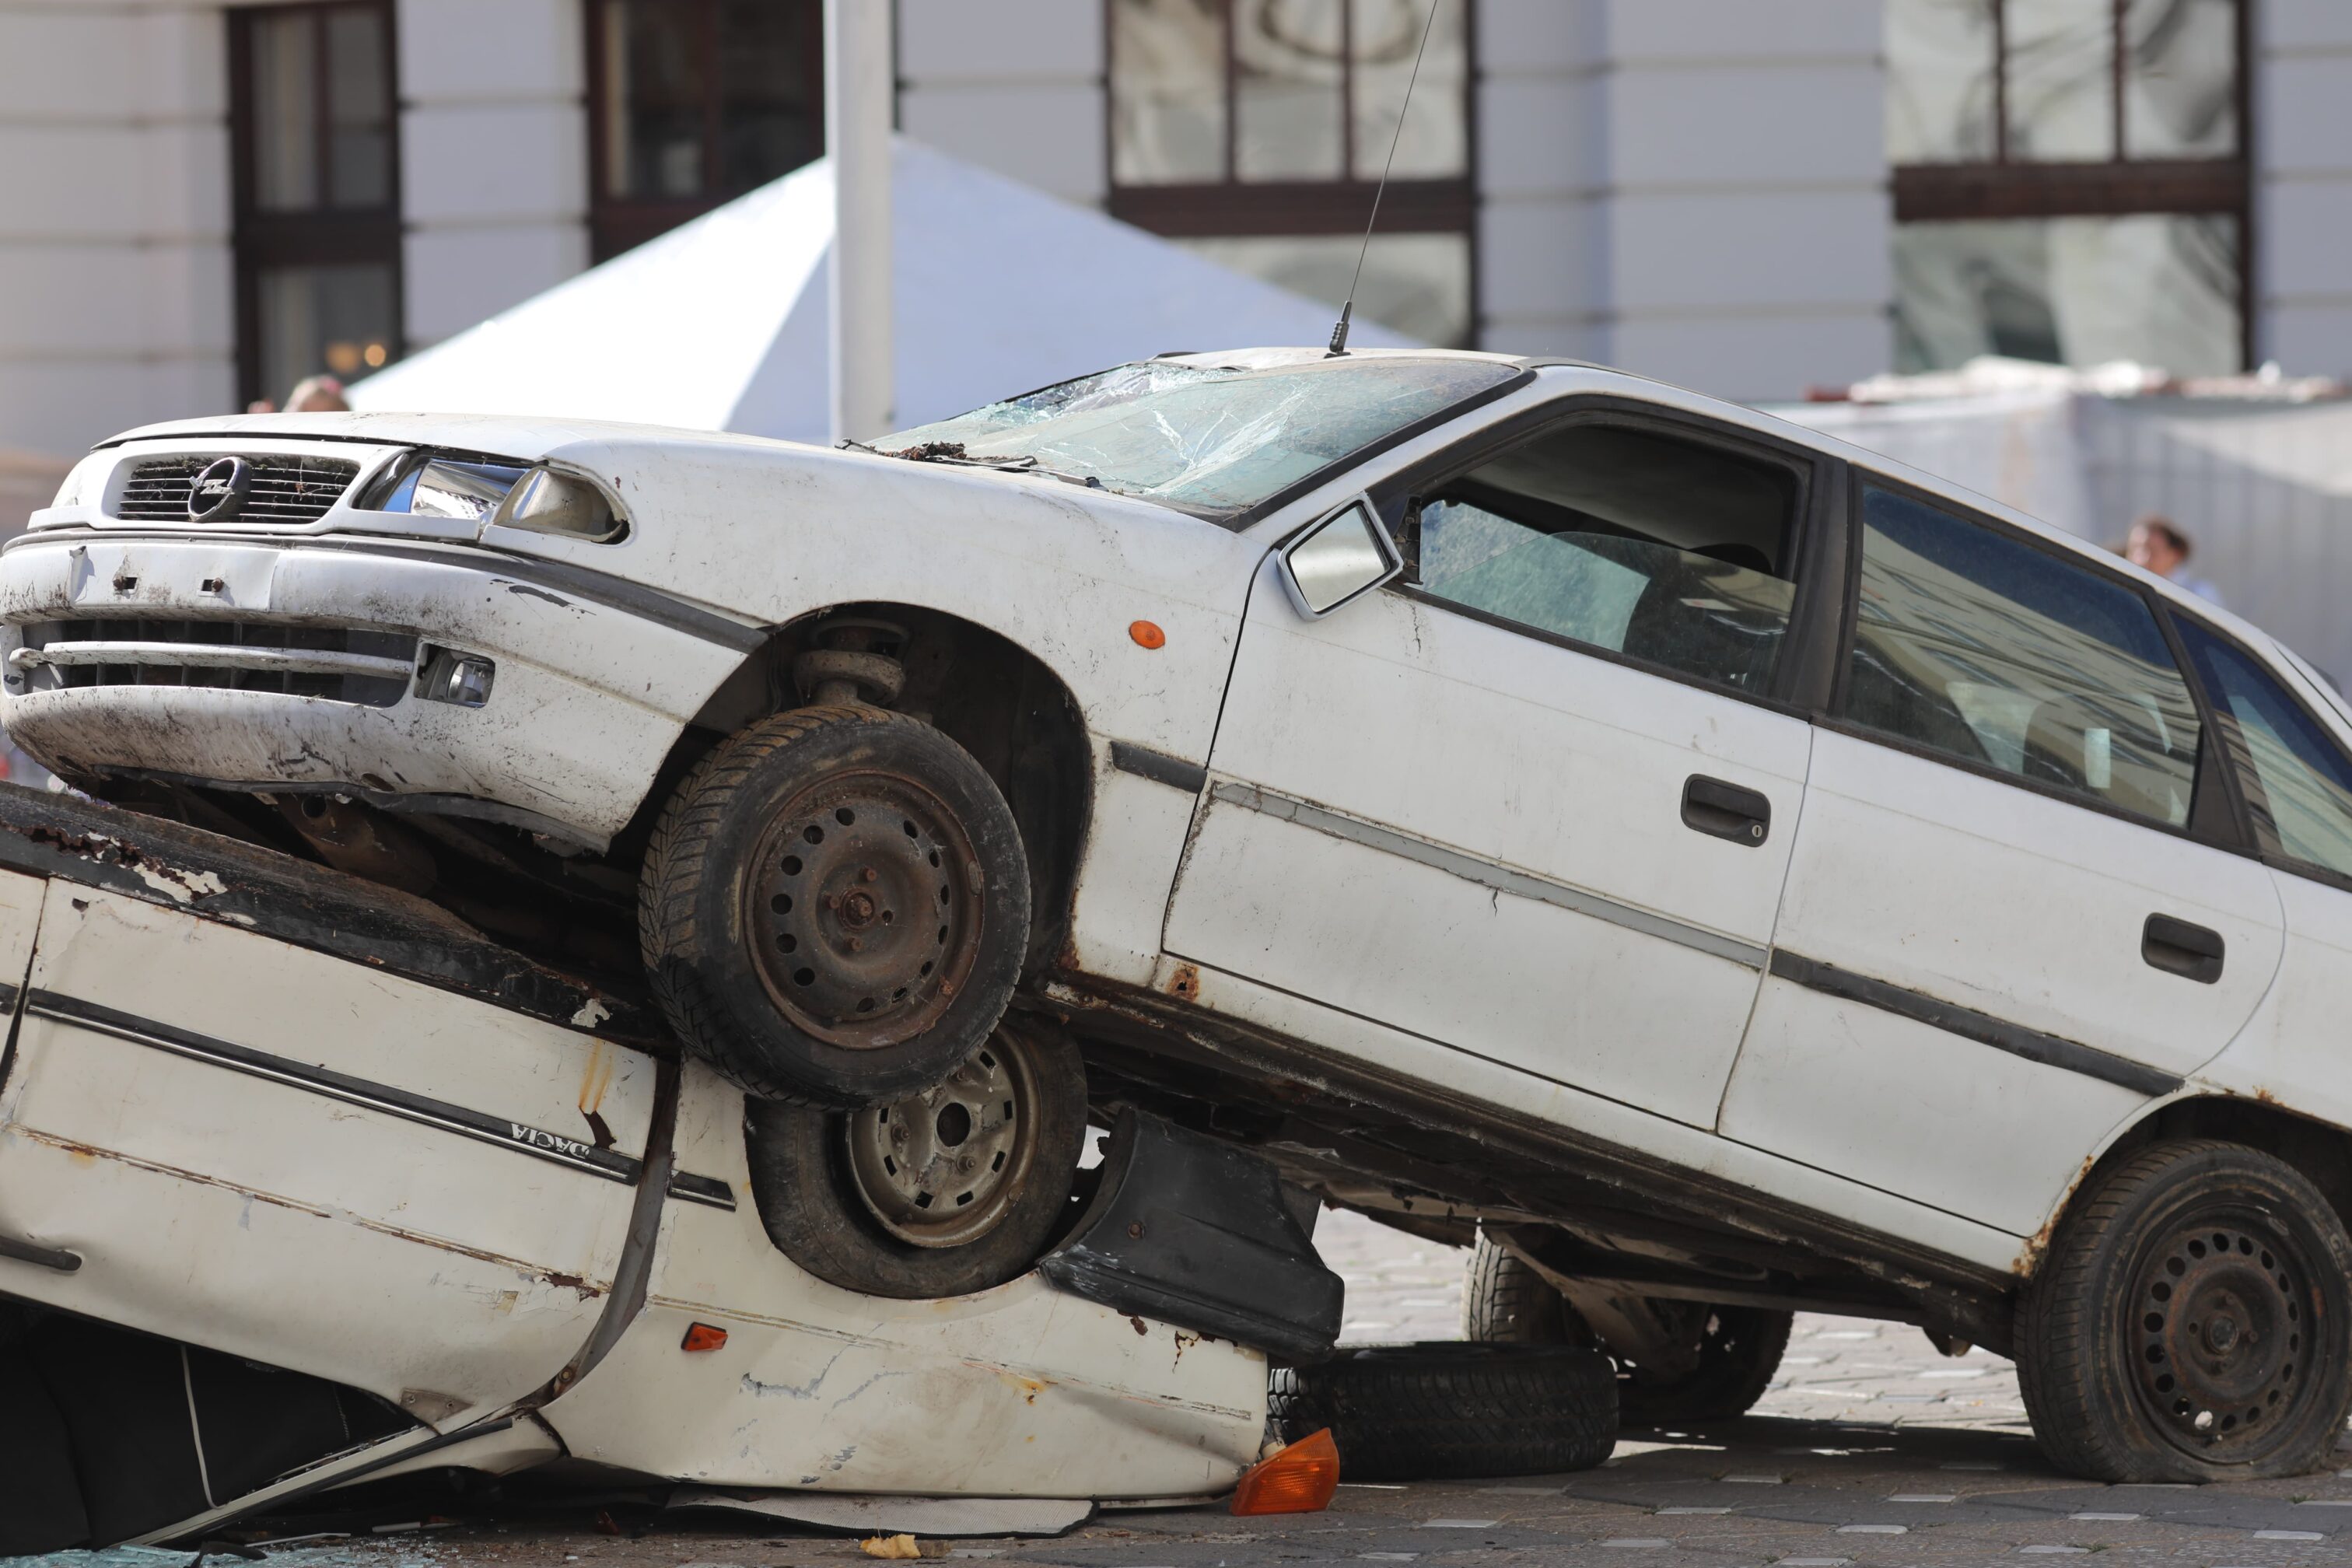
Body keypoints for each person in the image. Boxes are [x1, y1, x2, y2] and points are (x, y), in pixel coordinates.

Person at [2125, 515, 2223, 607]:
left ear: (2175, 555)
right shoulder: (2119, 589)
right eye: (2134, 549)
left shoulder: (2201, 595)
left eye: (2153, 551)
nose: (2141, 559)